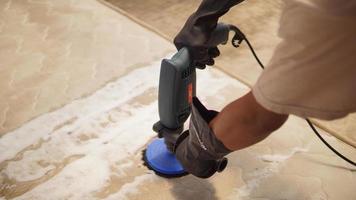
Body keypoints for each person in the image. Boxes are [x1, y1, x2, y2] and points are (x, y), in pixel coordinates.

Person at [172, 0, 356, 178]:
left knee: (271, 101)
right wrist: (206, 15)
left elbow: (257, 117)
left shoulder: (327, 15)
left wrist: (196, 152)